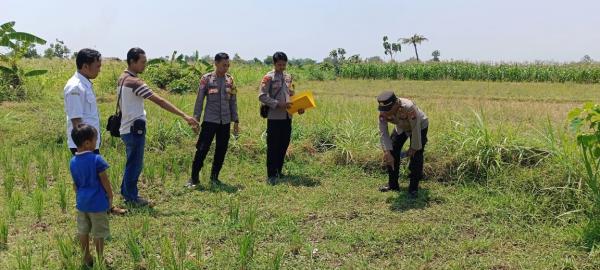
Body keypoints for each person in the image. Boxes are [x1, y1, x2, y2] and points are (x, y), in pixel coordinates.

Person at [118, 47, 199, 206]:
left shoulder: (122, 78)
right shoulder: (134, 82)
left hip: (126, 128)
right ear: (132, 62)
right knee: (135, 165)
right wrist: (184, 115)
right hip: (134, 129)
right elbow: (160, 101)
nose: (145, 65)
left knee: (131, 163)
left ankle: (127, 193)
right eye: (142, 62)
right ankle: (132, 198)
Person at [186, 53, 239, 188]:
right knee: (202, 149)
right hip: (210, 120)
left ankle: (214, 177)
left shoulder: (230, 80)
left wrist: (236, 120)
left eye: (228, 65)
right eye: (223, 65)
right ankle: (194, 178)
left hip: (225, 122)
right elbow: (199, 100)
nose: (226, 68)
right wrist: (196, 119)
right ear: (216, 64)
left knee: (221, 149)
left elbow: (233, 101)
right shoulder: (206, 79)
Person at [69, 124, 113, 268]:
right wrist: (110, 195)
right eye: (95, 140)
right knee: (98, 232)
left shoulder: (73, 162)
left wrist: (80, 197)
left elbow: (75, 185)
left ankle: (86, 256)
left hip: (82, 203)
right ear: (87, 143)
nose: (96, 143)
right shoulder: (97, 159)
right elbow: (104, 181)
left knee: (83, 230)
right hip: (97, 204)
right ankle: (100, 258)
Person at [258, 52, 304, 185]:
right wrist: (278, 104)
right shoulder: (268, 77)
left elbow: (291, 95)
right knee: (273, 146)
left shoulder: (288, 77)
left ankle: (279, 171)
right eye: (279, 65)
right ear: (274, 63)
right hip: (274, 117)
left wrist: (299, 107)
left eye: (284, 64)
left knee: (284, 144)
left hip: (287, 117)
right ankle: (271, 174)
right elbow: (262, 96)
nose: (282, 67)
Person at [377, 91, 429, 198]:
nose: (385, 113)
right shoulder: (383, 111)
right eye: (383, 110)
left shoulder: (409, 107)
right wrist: (387, 152)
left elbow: (415, 129)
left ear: (396, 104)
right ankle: (393, 185)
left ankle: (413, 188)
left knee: (416, 155)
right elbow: (383, 132)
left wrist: (413, 148)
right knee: (391, 151)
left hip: (419, 126)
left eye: (388, 110)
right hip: (401, 127)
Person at [64, 48, 102, 155]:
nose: (99, 70)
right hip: (83, 145)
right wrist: (85, 148)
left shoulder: (85, 84)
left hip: (89, 143)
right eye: (97, 66)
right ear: (86, 66)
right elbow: (76, 120)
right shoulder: (75, 87)